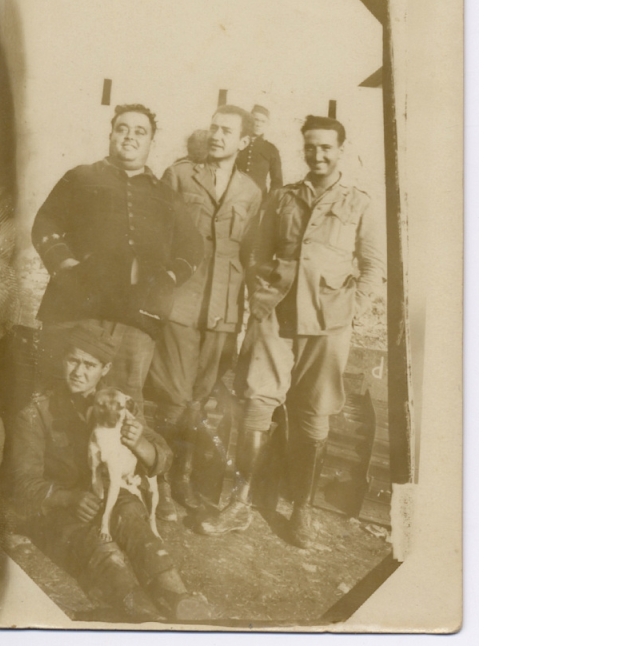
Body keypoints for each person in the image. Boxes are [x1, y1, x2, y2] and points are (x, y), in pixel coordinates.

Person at [199, 115, 385, 548]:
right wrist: (260, 292)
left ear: (340, 149)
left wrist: (351, 309)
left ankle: (302, 511)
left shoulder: (360, 203)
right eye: (310, 147)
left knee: (314, 413)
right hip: (275, 318)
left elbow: (374, 266)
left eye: (326, 148)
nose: (317, 155)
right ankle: (241, 502)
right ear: (303, 149)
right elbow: (255, 251)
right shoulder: (282, 198)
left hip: (328, 325)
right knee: (256, 406)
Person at [6, 322, 212, 622]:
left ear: (105, 369)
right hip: (58, 509)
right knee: (102, 551)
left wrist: (139, 444)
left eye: (89, 365)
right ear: (63, 360)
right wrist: (67, 498)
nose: (78, 372)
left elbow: (163, 456)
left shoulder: (117, 403)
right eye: (72, 361)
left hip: (108, 495)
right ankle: (141, 613)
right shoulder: (38, 410)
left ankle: (178, 598)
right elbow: (22, 483)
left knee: (133, 520)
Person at [31, 104, 204, 409]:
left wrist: (168, 278)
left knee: (121, 406)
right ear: (111, 134)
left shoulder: (165, 194)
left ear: (151, 142)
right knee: (55, 401)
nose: (129, 137)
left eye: (140, 132)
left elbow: (192, 247)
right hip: (75, 306)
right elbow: (46, 223)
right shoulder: (81, 177)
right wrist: (66, 265)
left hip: (135, 317)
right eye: (122, 129)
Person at [146, 105, 262, 517]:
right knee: (174, 396)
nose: (217, 136)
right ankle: (158, 478)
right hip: (180, 302)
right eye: (214, 128)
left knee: (199, 399)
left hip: (223, 309)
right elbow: (156, 236)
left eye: (227, 131)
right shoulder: (179, 176)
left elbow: (250, 253)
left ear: (244, 142)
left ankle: (182, 477)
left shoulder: (251, 191)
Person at [234, 104, 283, 197]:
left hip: (258, 201)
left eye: (263, 121)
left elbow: (277, 183)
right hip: (233, 196)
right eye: (256, 119)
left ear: (267, 124)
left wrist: (268, 205)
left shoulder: (271, 149)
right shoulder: (237, 143)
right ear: (249, 120)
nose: (258, 124)